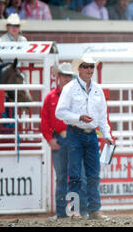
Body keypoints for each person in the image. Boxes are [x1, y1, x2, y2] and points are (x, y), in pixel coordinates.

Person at [55, 56, 113, 220]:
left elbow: (102, 117)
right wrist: (78, 117)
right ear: (79, 69)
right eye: (86, 66)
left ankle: (94, 210)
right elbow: (60, 112)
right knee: (75, 174)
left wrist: (107, 135)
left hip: (91, 135)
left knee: (93, 174)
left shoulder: (97, 90)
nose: (89, 70)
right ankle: (74, 210)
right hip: (75, 133)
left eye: (91, 67)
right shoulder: (70, 88)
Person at [41, 63, 88, 220]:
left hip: (75, 138)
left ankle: (78, 211)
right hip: (59, 140)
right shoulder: (50, 97)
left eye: (69, 76)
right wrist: (49, 139)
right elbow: (45, 121)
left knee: (77, 176)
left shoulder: (78, 96)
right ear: (58, 77)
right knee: (61, 176)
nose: (66, 79)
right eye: (64, 76)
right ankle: (61, 213)